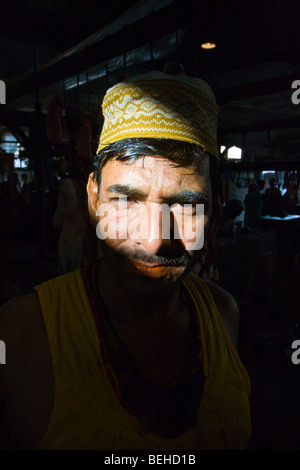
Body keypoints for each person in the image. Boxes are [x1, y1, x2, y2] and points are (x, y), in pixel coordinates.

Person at [0, 71, 251, 450]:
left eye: (186, 207)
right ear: (92, 201)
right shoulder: (22, 336)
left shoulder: (223, 314)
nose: (153, 239)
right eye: (125, 201)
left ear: (216, 212)